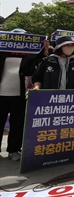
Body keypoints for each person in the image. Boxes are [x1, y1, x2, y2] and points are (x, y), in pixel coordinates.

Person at [0, 31, 48, 161]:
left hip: (19, 94)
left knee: (17, 123)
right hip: (1, 94)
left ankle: (13, 149)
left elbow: (41, 62)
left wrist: (44, 48)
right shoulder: (2, 51)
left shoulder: (30, 55)